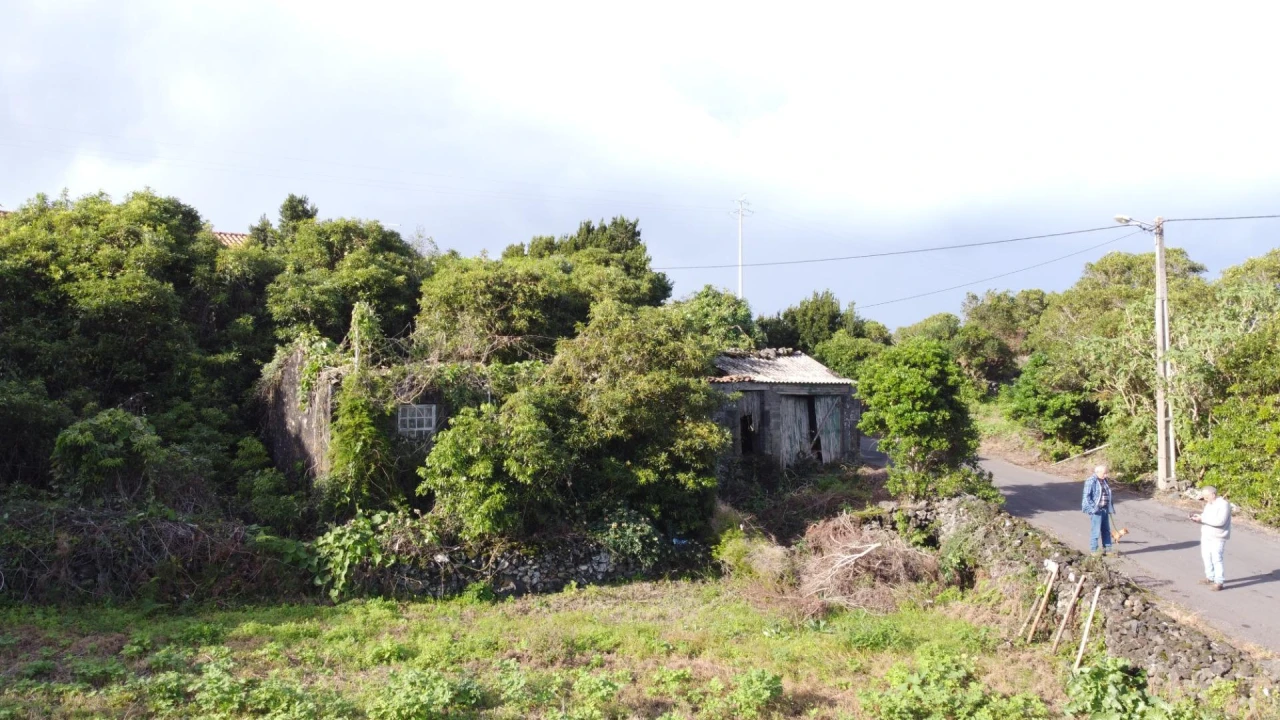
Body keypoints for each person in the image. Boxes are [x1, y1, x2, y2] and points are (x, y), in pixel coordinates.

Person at [1190, 486, 1231, 591]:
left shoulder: (1224, 505)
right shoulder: (1209, 504)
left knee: (1217, 558)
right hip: (1206, 535)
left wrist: (1202, 518)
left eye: (1206, 496)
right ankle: (1210, 576)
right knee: (1206, 556)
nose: (1205, 499)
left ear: (1213, 494)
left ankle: (1219, 582)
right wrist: (1198, 518)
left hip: (1218, 536)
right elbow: (1205, 517)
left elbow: (1220, 521)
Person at [1081, 464, 1116, 555]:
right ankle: (1094, 550)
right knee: (1096, 531)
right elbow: (1087, 497)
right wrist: (1094, 508)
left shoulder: (1104, 481)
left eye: (1106, 473)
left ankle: (1107, 550)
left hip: (1105, 509)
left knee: (1106, 530)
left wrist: (1109, 507)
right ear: (1097, 472)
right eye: (1104, 473)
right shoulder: (1091, 481)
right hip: (1097, 510)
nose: (1106, 475)